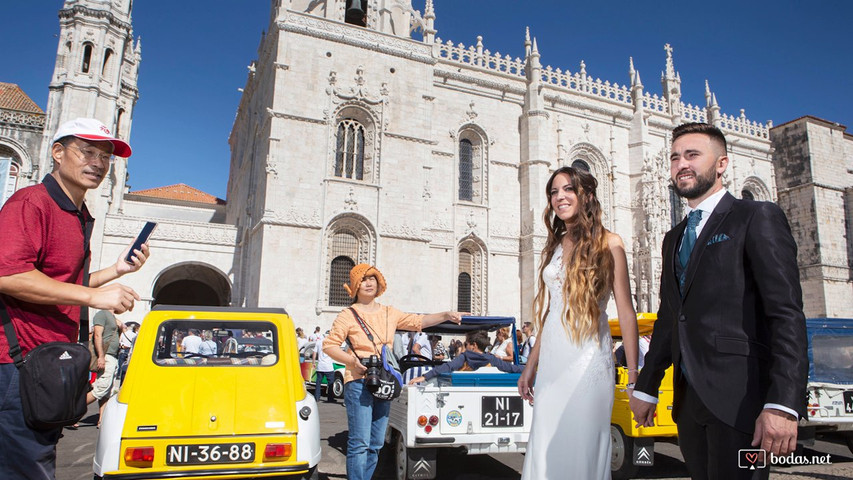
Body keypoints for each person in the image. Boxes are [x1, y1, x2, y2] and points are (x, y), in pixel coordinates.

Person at [630, 122, 807, 480]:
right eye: (675, 157)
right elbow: (670, 318)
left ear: (722, 164)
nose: (682, 164)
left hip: (744, 400)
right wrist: (647, 386)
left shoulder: (756, 216)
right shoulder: (674, 237)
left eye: (693, 155)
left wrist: (784, 404)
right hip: (690, 403)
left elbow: (785, 314)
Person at [0, 117, 148, 480]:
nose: (98, 163)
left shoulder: (78, 213)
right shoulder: (31, 202)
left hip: (48, 364)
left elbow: (60, 284)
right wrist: (95, 296)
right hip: (15, 365)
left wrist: (115, 272)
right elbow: (8, 274)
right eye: (87, 152)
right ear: (57, 153)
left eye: (106, 157)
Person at [518, 166, 639, 479]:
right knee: (546, 447)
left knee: (582, 448)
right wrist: (531, 366)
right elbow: (550, 312)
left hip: (588, 362)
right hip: (552, 366)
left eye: (567, 189)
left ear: (586, 195)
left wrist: (635, 377)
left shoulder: (610, 243)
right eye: (554, 192)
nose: (559, 197)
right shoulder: (556, 244)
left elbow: (626, 312)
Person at [322, 264, 466, 480]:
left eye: (372, 278)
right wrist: (353, 361)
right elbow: (329, 345)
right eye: (363, 279)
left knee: (376, 443)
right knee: (359, 442)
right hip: (358, 381)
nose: (369, 283)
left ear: (378, 283)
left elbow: (419, 321)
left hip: (385, 381)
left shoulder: (390, 312)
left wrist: (446, 314)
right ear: (355, 285)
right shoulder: (347, 315)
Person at [408, 330, 523, 384]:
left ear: (474, 346)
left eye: (466, 344)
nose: (464, 346)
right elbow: (513, 369)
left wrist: (424, 376)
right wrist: (532, 369)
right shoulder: (491, 359)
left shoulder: (465, 357)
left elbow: (449, 366)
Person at [86, 310, 123, 424]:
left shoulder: (113, 318)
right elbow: (97, 335)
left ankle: (101, 420)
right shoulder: (102, 314)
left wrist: (120, 326)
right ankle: (71, 410)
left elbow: (119, 333)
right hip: (106, 355)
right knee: (101, 388)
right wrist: (101, 356)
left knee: (108, 391)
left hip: (113, 356)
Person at [312, 334, 336, 403]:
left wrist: (313, 362)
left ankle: (317, 397)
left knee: (318, 383)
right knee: (330, 383)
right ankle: (330, 398)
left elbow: (314, 353)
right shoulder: (331, 343)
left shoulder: (318, 342)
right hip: (328, 366)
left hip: (320, 366)